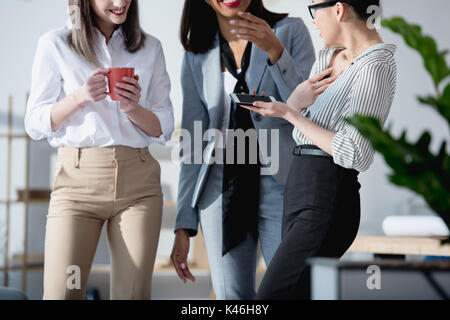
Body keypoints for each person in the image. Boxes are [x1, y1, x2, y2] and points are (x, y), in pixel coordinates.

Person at [241, 0, 397, 299]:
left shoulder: (375, 65)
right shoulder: (327, 57)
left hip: (328, 194)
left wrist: (290, 113)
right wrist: (295, 105)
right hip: (299, 187)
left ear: (338, 10)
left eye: (314, 8)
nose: (311, 18)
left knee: (270, 296)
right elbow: (304, 130)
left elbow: (356, 152)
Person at [24, 0, 174, 299]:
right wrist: (79, 97)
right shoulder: (55, 44)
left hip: (138, 186)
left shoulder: (150, 47)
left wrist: (132, 109)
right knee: (64, 291)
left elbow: (164, 126)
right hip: (77, 186)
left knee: (132, 295)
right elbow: (34, 122)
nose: (121, 3)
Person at [171, 0, 315, 299]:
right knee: (232, 298)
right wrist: (184, 224)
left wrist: (275, 51)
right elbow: (192, 144)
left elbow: (312, 110)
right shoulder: (197, 55)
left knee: (288, 291)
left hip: (281, 183)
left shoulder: (289, 32)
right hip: (220, 188)